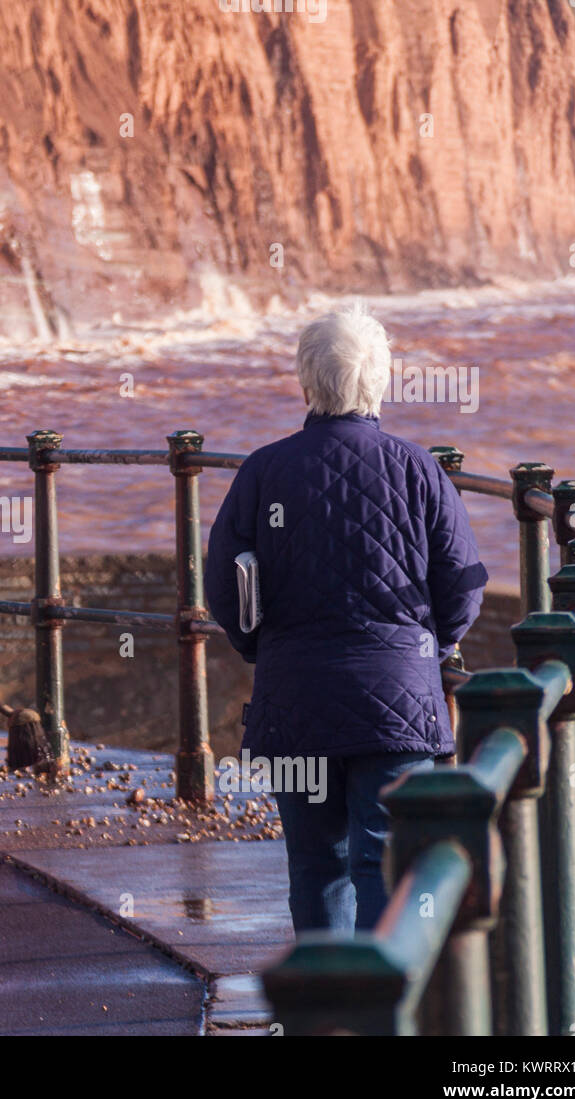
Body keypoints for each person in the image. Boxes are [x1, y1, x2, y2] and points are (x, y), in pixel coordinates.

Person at [205, 301, 488, 934]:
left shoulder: (263, 470)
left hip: (296, 700)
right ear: (380, 380)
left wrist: (262, 649)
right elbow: (462, 589)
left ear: (306, 382)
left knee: (313, 865)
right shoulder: (420, 471)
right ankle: (384, 1011)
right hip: (398, 705)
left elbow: (224, 588)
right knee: (383, 861)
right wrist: (425, 653)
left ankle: (323, 1014)